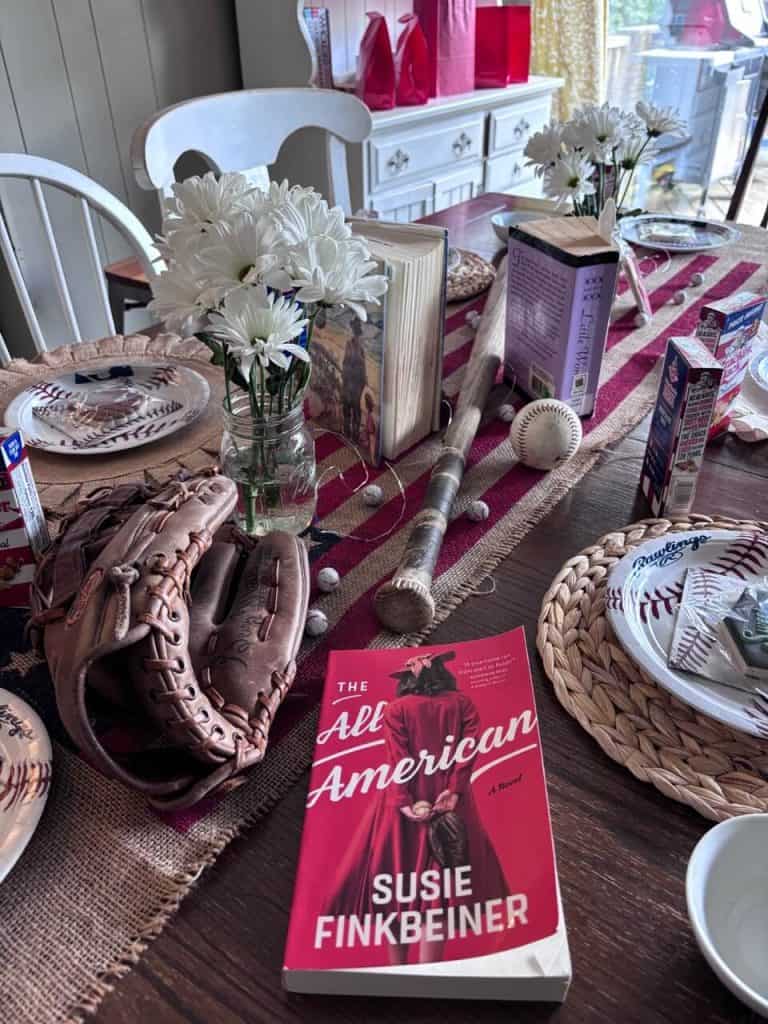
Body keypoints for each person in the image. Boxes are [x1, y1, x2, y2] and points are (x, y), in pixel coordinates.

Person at [322, 652, 510, 966]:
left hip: (404, 807)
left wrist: (402, 804)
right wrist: (453, 791)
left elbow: (398, 761)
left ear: (408, 681)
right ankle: (430, 970)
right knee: (441, 893)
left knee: (395, 887)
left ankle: (398, 969)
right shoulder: (463, 704)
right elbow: (469, 751)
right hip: (452, 805)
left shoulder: (396, 710)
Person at [341, 320, 367, 444]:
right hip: (352, 380)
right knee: (350, 408)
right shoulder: (352, 344)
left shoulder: (356, 345)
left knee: (353, 408)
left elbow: (358, 364)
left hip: (354, 381)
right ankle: (349, 434)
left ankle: (352, 435)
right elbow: (348, 362)